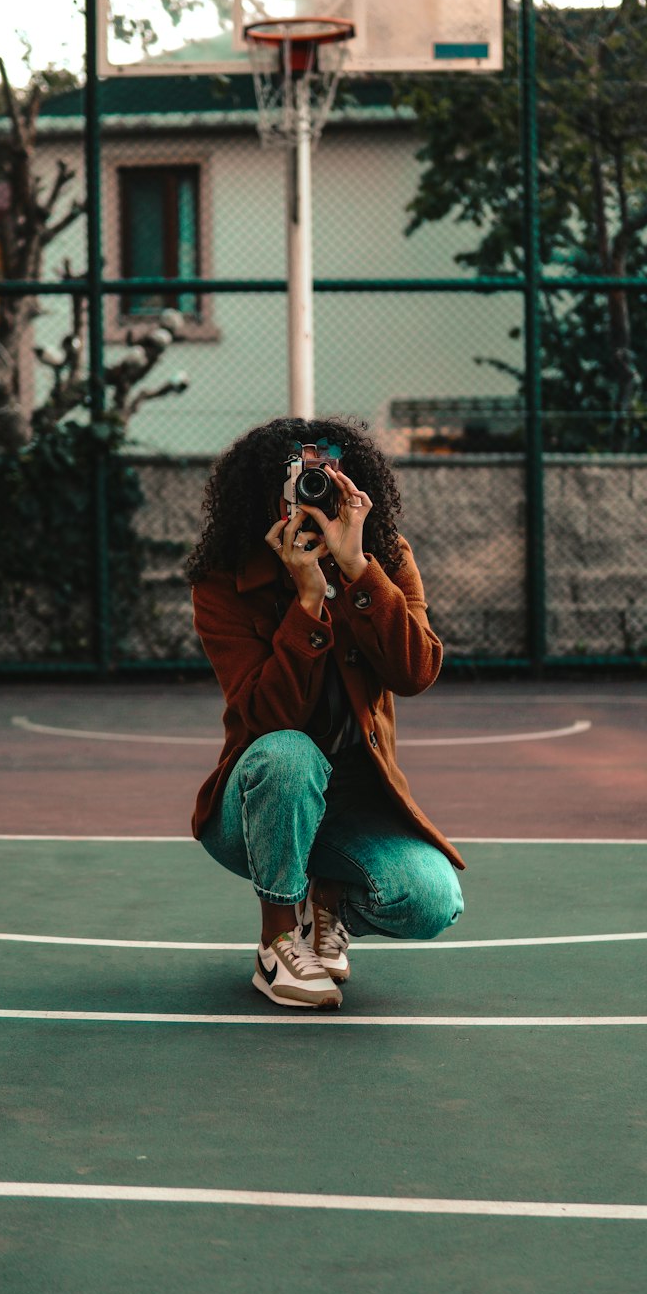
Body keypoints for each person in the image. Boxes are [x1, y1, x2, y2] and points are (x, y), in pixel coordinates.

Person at [186, 416, 465, 1009]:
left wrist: (359, 572)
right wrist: (308, 597)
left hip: (352, 803)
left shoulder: (384, 557)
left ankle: (327, 901)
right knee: (289, 752)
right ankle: (277, 942)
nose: (312, 494)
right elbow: (265, 715)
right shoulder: (224, 582)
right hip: (258, 800)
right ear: (264, 493)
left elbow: (416, 672)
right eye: (297, 481)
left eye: (327, 480)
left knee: (431, 900)